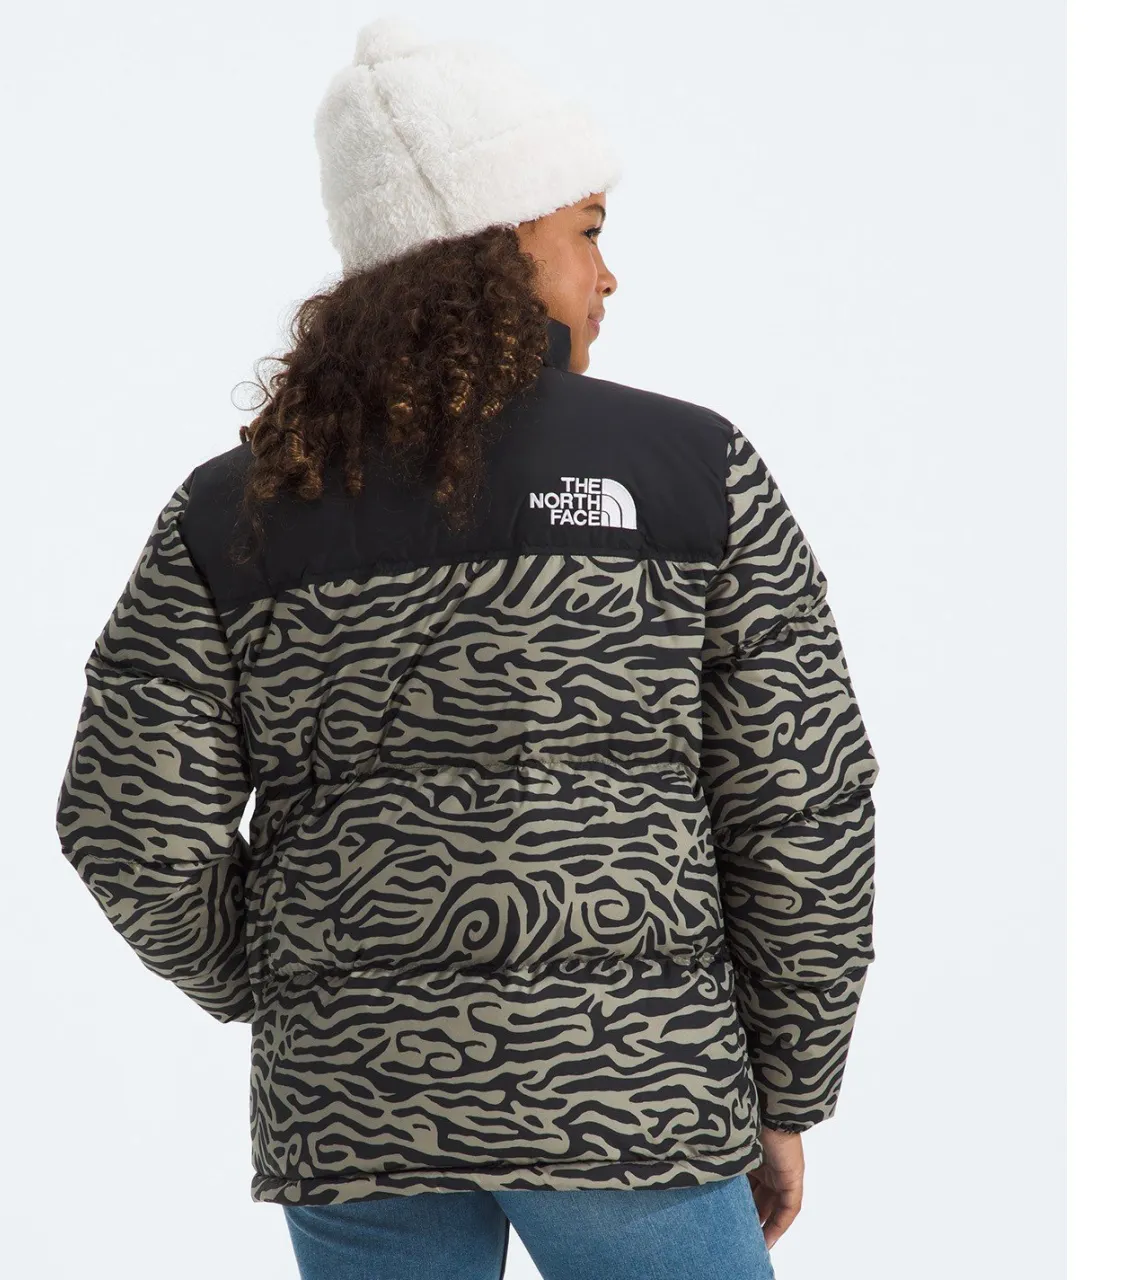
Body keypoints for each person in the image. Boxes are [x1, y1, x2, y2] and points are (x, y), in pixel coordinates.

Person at [54, 16, 879, 1280]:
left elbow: (128, 825)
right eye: (586, 231)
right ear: (499, 245)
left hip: (353, 1106)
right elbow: (801, 800)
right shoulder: (691, 470)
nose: (609, 276)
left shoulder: (231, 511)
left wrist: (297, 980)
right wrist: (786, 1082)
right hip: (624, 1090)